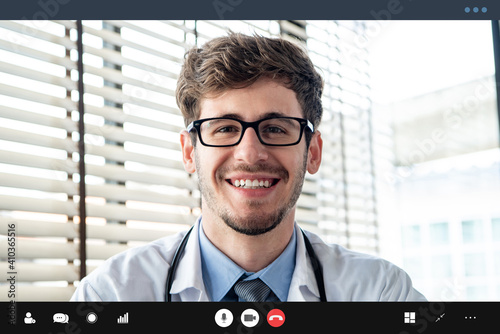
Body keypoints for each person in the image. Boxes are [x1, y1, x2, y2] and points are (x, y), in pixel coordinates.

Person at [71, 32, 425, 302]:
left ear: (313, 152)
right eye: (225, 128)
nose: (250, 154)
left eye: (275, 128)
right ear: (190, 153)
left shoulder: (381, 293)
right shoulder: (111, 295)